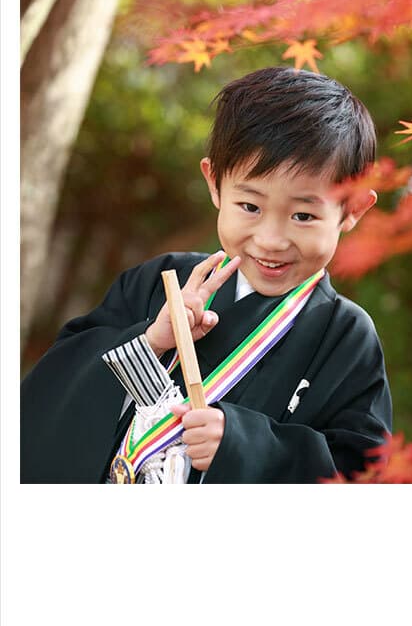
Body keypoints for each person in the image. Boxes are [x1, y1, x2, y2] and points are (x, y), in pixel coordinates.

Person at [21, 66, 392, 484]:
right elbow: (49, 391)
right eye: (250, 207)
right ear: (214, 183)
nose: (271, 240)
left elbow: (363, 470)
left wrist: (243, 444)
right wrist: (150, 341)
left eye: (303, 215)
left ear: (353, 209)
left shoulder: (346, 336)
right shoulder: (158, 280)